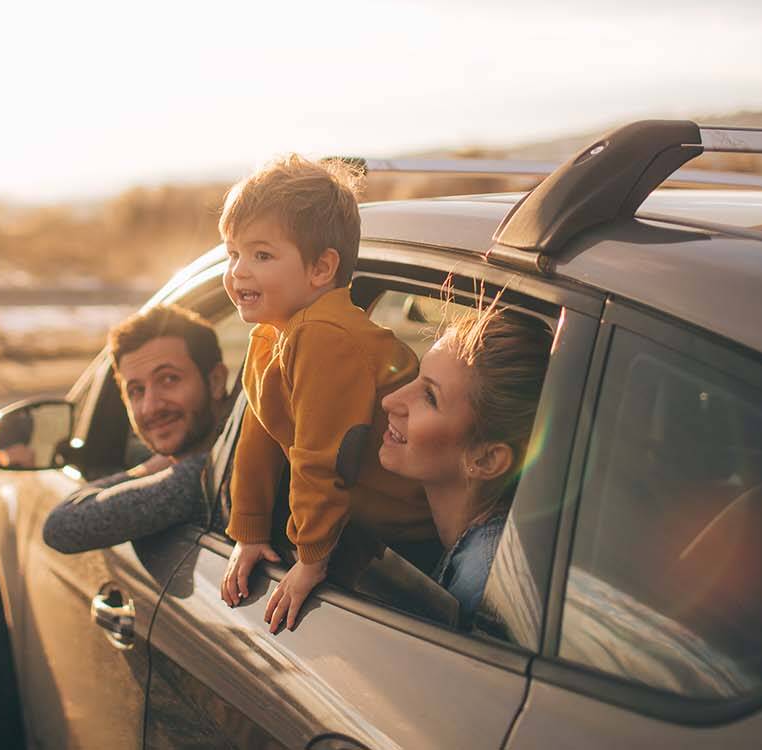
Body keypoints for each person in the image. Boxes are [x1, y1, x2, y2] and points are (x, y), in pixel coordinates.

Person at [217, 154, 436, 633]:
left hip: (410, 535)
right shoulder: (274, 335)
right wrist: (250, 531)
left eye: (262, 255)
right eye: (232, 254)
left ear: (321, 268)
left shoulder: (323, 336)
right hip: (366, 527)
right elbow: (259, 437)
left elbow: (320, 456)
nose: (238, 272)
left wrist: (310, 559)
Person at [378, 305, 553, 619]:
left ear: (486, 459)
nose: (390, 401)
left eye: (430, 397)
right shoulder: (483, 547)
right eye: (418, 376)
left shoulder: (481, 582)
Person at [41, 305, 231, 553]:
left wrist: (150, 468)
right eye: (136, 391)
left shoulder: (208, 475)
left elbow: (62, 527)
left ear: (216, 381)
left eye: (169, 379)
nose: (151, 407)